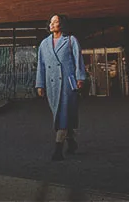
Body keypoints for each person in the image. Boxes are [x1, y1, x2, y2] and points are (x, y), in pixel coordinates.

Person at [36, 14, 86, 161]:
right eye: (50, 22)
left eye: (55, 21)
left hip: (67, 84)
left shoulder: (70, 40)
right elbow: (41, 66)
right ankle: (71, 142)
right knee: (60, 114)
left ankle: (58, 150)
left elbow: (78, 60)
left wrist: (80, 78)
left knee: (63, 114)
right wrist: (40, 84)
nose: (52, 24)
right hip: (52, 84)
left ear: (62, 24)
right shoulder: (44, 44)